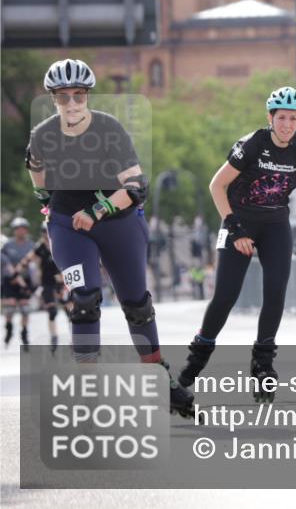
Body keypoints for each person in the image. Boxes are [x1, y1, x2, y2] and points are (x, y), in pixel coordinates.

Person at [24, 58, 194, 416]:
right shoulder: (43, 133)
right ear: (53, 98)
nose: (71, 103)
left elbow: (136, 186)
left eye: (78, 95)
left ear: (88, 95)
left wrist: (97, 211)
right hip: (68, 224)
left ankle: (158, 375)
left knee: (137, 304)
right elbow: (35, 166)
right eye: (62, 96)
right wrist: (45, 201)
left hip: (118, 219)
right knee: (84, 298)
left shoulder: (108, 129)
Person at [177, 86, 296, 403]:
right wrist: (234, 227)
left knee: (276, 291)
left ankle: (263, 364)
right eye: (281, 118)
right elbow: (217, 185)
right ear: (270, 117)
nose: (287, 124)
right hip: (239, 221)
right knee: (225, 296)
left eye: (293, 118)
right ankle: (198, 355)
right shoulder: (253, 144)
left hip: (276, 225)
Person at [14, 222, 71, 353]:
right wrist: (16, 275)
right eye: (45, 232)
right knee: (52, 312)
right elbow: (25, 262)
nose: (47, 234)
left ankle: (74, 339)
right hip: (47, 283)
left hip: (62, 283)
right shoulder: (39, 248)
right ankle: (54, 338)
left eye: (48, 231)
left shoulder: (61, 243)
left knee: (70, 311)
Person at [2, 218, 35, 349]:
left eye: (22, 228)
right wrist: (11, 274)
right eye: (17, 228)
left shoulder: (31, 245)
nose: (20, 230)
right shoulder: (7, 245)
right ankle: (9, 328)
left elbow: (34, 263)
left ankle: (24, 333)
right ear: (14, 230)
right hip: (10, 280)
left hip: (25, 280)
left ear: (26, 230)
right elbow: (3, 262)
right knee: (10, 308)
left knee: (25, 309)